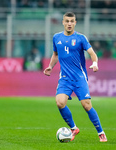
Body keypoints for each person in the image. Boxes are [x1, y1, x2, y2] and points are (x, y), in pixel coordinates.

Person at [43, 12, 107, 142]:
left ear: (75, 23)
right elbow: (55, 54)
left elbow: (92, 53)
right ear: (63, 22)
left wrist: (95, 64)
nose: (69, 23)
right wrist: (50, 66)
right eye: (67, 21)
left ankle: (101, 132)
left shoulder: (80, 38)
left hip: (79, 78)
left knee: (87, 105)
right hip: (65, 78)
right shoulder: (56, 38)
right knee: (60, 102)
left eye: (72, 21)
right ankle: (73, 128)